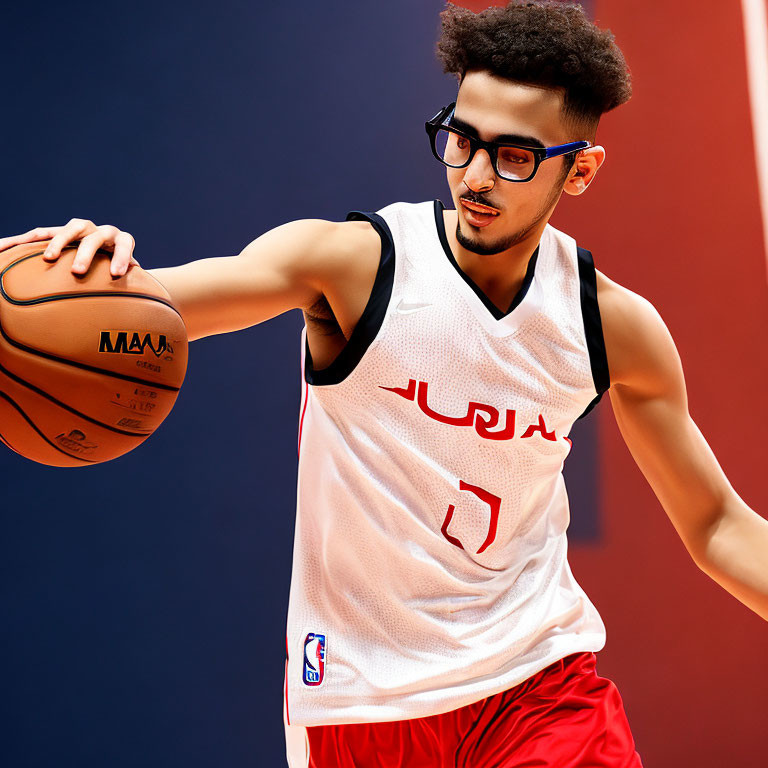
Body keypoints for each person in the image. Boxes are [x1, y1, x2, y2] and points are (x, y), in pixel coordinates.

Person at [5, 1, 768, 766]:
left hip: (537, 686)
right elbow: (165, 305)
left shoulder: (612, 326)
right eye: (462, 139)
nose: (474, 174)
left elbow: (715, 527)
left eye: (513, 156)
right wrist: (100, 280)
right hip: (359, 702)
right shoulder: (355, 265)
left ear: (580, 169)